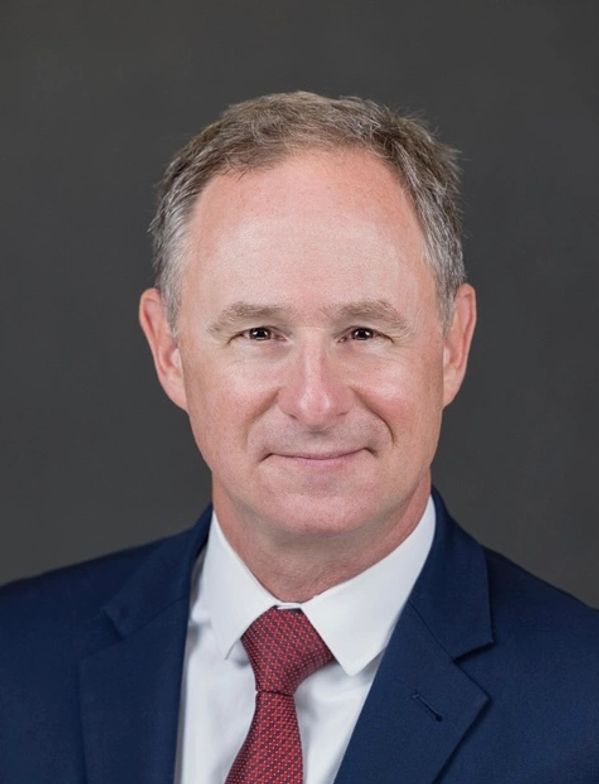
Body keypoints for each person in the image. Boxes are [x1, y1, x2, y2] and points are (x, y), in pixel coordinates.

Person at [1, 92, 598, 784]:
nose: (315, 402)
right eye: (258, 333)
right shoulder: (14, 663)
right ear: (169, 351)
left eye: (364, 333)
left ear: (450, 345)